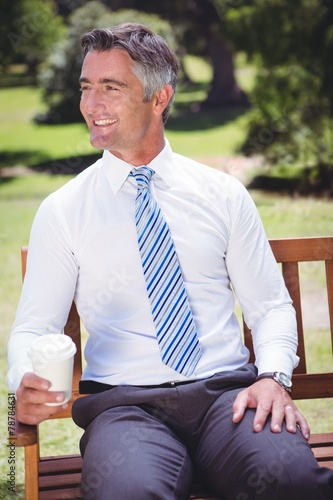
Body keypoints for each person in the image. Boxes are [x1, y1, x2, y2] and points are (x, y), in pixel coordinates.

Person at [7, 23, 333, 500]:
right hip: (125, 410)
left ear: (159, 98)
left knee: (294, 481)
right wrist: (24, 382)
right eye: (86, 87)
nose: (91, 105)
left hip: (229, 398)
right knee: (127, 493)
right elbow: (33, 327)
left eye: (111, 88)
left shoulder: (221, 195)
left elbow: (270, 307)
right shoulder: (63, 211)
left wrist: (273, 378)